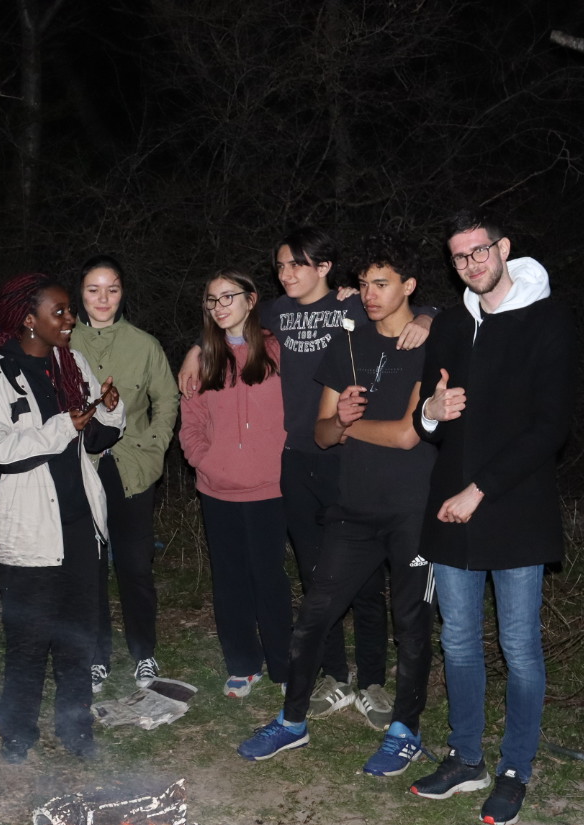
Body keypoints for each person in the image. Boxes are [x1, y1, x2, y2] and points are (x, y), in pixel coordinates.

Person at [181, 228, 431, 724]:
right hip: (295, 459)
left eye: (298, 264)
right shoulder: (273, 314)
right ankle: (335, 676)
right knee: (317, 575)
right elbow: (230, 325)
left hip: (349, 457)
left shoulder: (358, 306)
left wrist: (425, 316)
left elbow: (418, 306)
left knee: (363, 581)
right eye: (280, 266)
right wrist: (195, 350)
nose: (287, 273)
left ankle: (374, 681)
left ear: (325, 268)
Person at [236, 237, 438, 767]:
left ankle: (403, 730)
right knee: (315, 614)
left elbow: (406, 436)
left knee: (411, 623)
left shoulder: (429, 345)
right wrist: (340, 421)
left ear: (409, 287)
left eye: (383, 284)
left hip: (413, 508)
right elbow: (322, 434)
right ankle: (292, 721)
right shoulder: (348, 346)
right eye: (365, 284)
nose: (370, 295)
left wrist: (352, 425)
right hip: (354, 507)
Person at [406, 207, 576, 825]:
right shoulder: (450, 323)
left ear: (503, 249)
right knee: (456, 639)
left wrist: (483, 489)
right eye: (459, 257)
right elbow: (427, 419)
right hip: (451, 506)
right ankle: (466, 755)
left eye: (480, 251)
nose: (472, 264)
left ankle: (514, 768)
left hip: (515, 506)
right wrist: (432, 408)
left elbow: (549, 427)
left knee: (519, 646)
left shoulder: (547, 318)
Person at [0, 273, 124, 763]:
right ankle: (17, 734)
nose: (70, 318)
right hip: (29, 530)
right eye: (59, 311)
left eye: (68, 310)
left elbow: (95, 439)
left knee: (77, 639)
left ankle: (76, 729)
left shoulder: (71, 362)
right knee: (29, 642)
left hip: (79, 525)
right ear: (28, 319)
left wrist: (110, 413)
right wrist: (62, 426)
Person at [179, 270, 292, 700]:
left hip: (271, 488)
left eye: (229, 296)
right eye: (212, 299)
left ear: (251, 299)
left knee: (270, 578)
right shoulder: (204, 359)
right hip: (218, 489)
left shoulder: (281, 352)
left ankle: (283, 664)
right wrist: (205, 461)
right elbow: (191, 422)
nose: (220, 305)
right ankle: (243, 664)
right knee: (230, 579)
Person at [72, 255, 179, 693]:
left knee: (135, 566)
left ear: (122, 293)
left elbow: (167, 398)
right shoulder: (63, 341)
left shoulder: (144, 344)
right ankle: (95, 657)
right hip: (80, 468)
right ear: (80, 293)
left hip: (132, 467)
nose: (103, 298)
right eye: (93, 289)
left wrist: (155, 447)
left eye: (112, 289)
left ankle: (144, 654)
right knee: (88, 567)